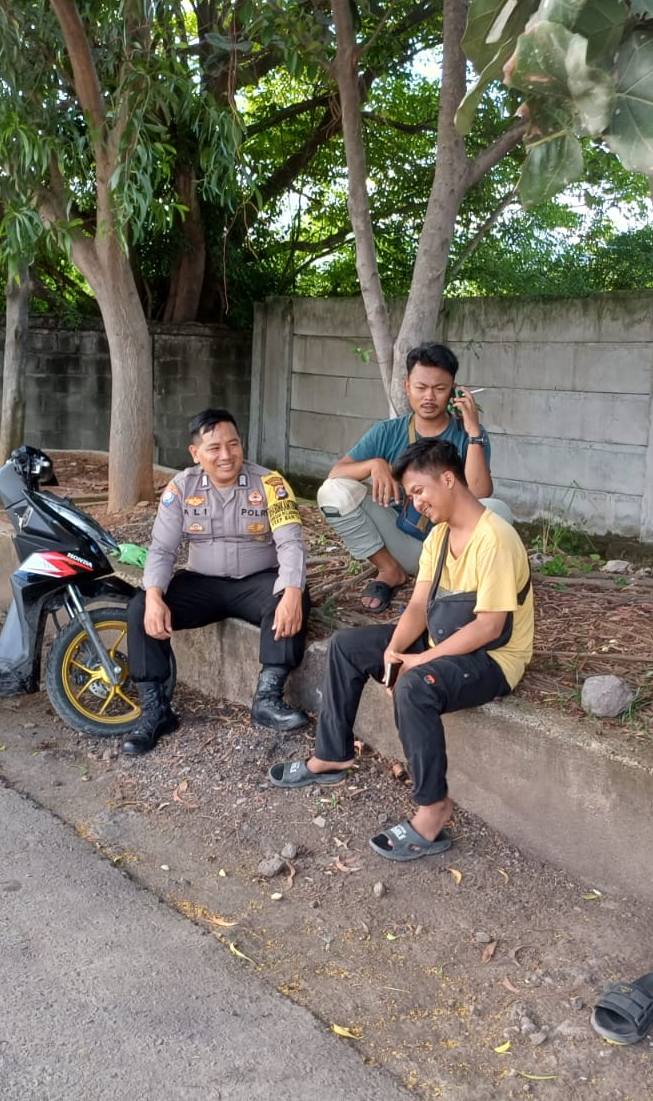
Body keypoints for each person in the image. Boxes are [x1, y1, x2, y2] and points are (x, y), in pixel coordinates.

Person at [270, 438, 533, 860]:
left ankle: (433, 809)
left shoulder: (495, 538)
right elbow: (418, 606)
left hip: (492, 659)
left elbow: (490, 626)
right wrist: (393, 652)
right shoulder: (440, 536)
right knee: (347, 646)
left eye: (419, 491)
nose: (416, 503)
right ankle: (331, 756)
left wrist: (419, 661)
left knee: (415, 686)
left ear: (448, 479)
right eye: (411, 495)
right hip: (446, 636)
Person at [123, 408, 310, 756]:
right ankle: (155, 710)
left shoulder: (271, 484)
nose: (226, 455)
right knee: (139, 607)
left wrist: (292, 591)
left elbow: (290, 544)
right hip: (202, 583)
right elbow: (162, 549)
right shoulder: (181, 488)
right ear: (196, 453)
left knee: (290, 595)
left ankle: (267, 698)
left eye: (233, 444)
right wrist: (154, 595)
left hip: (257, 582)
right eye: (214, 448)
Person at [316, 343, 512, 612]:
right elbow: (336, 473)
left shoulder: (468, 433)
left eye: (439, 388)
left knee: (497, 510)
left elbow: (480, 495)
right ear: (407, 387)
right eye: (421, 387)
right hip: (402, 541)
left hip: (451, 547)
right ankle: (389, 570)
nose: (429, 396)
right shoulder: (387, 432)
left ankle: (454, 584)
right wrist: (374, 464)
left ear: (453, 390)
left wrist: (474, 432)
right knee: (333, 492)